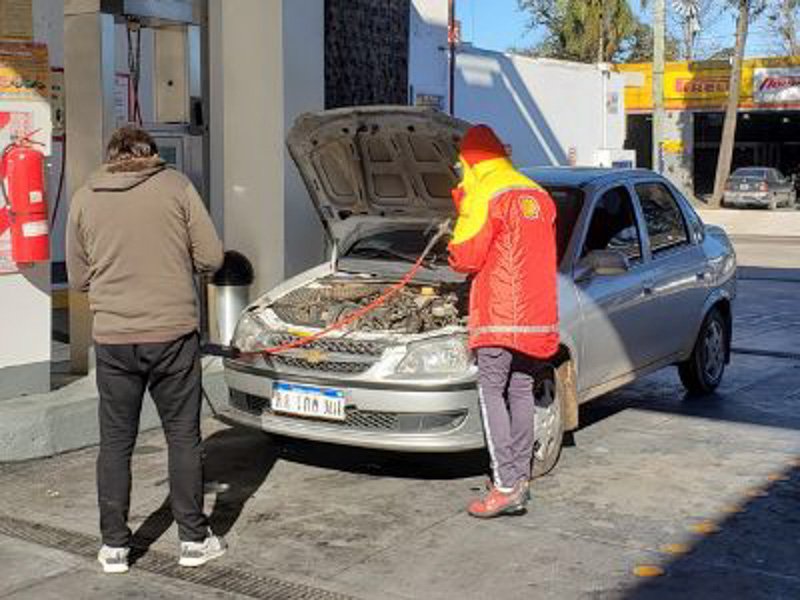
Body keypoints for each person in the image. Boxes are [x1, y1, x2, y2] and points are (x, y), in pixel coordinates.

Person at [67, 126, 225, 572]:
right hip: (172, 334)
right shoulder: (176, 186)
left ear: (110, 155)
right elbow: (211, 257)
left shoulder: (83, 197)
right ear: (151, 154)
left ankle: (114, 546)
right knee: (182, 436)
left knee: (116, 441)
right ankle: (193, 540)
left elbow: (78, 279)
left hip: (114, 339)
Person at [448, 125, 559, 519]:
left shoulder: (485, 191)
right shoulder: (539, 194)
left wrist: (462, 204)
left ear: (471, 162)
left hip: (498, 315)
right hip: (537, 315)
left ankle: (506, 486)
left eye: (460, 166)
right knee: (521, 390)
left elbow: (464, 255)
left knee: (490, 392)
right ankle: (520, 479)